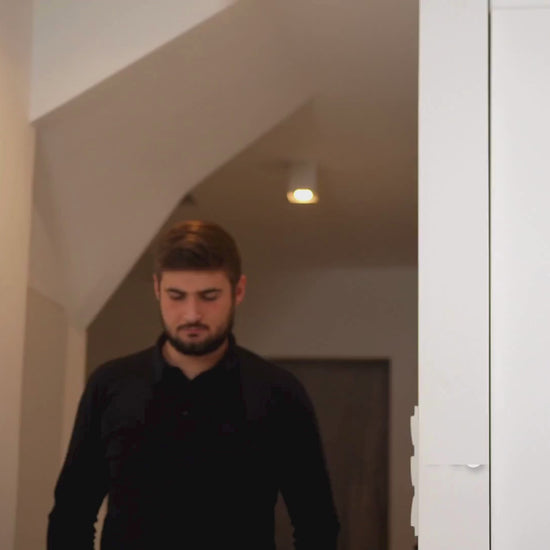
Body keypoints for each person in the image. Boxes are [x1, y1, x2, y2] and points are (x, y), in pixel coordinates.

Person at [47, 220, 340, 550]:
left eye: (209, 296)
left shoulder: (280, 393)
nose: (191, 314)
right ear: (157, 289)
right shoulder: (110, 385)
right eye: (176, 296)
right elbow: (71, 515)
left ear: (238, 291)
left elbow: (317, 524)